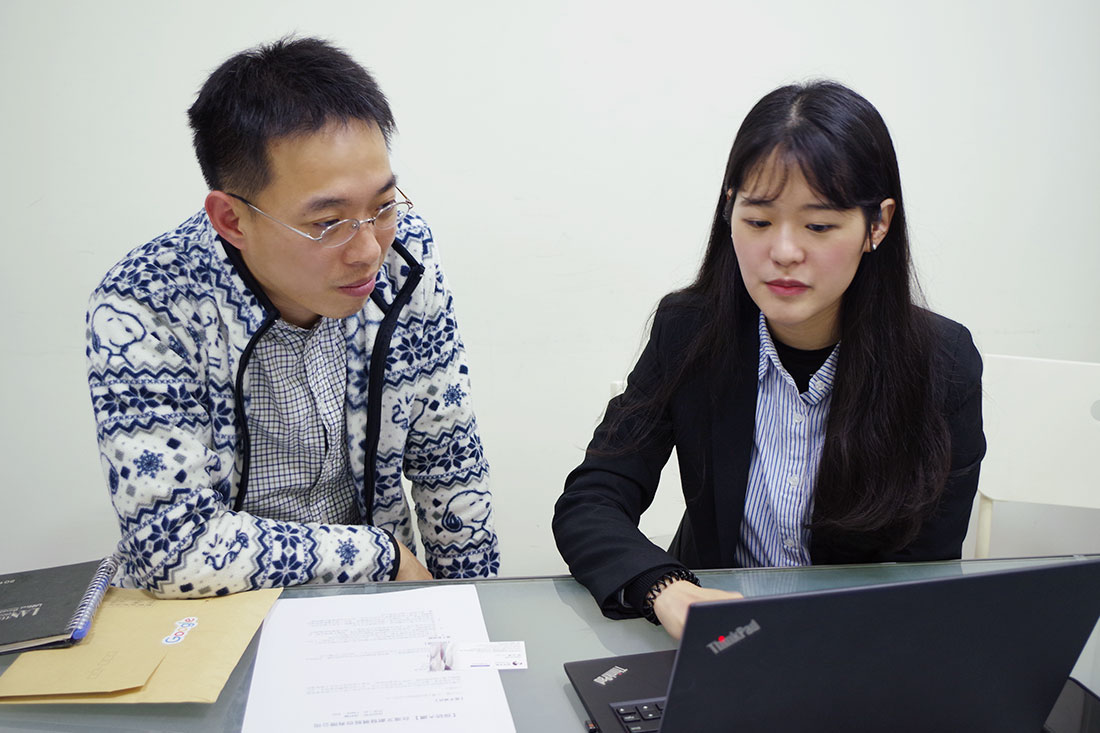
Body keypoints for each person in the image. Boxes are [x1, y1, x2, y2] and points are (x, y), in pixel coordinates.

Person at [552, 81, 985, 639]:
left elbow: (924, 574)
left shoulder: (941, 364)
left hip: (860, 647)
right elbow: (592, 500)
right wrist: (667, 587)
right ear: (729, 210)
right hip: (718, 644)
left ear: (877, 225)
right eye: (758, 221)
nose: (783, 251)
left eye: (819, 225)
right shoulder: (688, 330)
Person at [85, 37, 499, 597]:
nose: (367, 250)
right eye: (327, 222)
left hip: (371, 605)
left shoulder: (407, 260)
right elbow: (174, 549)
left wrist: (477, 614)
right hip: (212, 616)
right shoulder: (146, 304)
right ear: (231, 219)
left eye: (382, 206)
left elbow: (449, 461)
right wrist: (379, 554)